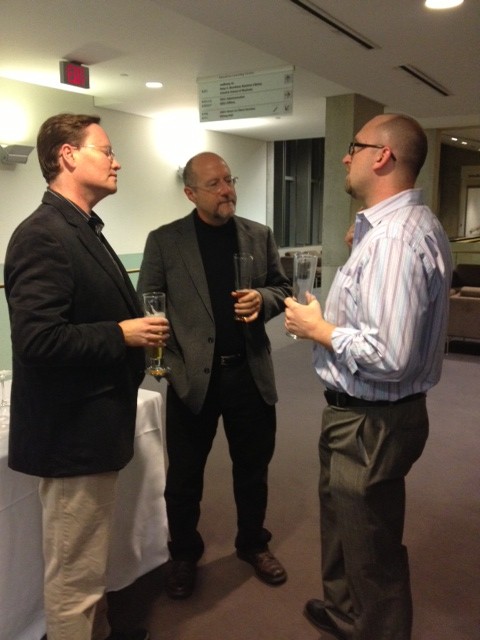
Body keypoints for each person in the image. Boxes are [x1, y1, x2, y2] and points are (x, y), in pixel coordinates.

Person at [285, 114, 452, 640]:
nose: (343, 156)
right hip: (365, 416)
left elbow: (391, 354)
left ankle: (375, 627)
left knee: (370, 546)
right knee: (344, 524)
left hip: (370, 423)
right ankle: (348, 615)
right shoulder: (404, 226)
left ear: (381, 156)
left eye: (353, 147)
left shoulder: (394, 242)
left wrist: (320, 330)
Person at [4, 113, 169, 640]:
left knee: (89, 573)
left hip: (93, 429)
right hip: (71, 436)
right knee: (75, 582)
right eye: (106, 149)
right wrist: (121, 334)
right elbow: (37, 340)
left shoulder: (81, 228)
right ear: (68, 156)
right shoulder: (42, 235)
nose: (117, 160)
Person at [137, 151, 291, 599]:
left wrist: (263, 299)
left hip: (249, 375)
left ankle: (252, 544)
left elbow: (283, 287)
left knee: (253, 469)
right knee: (184, 476)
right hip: (192, 381)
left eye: (230, 179)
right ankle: (183, 553)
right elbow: (150, 305)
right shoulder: (165, 241)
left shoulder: (258, 236)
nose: (227, 190)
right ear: (190, 193)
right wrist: (161, 367)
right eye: (215, 184)